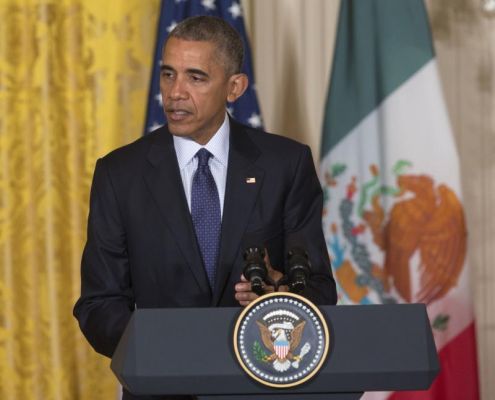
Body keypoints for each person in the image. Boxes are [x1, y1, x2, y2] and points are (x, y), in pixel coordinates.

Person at [74, 15, 337, 400]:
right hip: (162, 387)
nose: (175, 92)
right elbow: (98, 305)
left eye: (196, 77)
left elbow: (319, 290)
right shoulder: (120, 174)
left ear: (235, 87)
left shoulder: (286, 165)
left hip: (261, 385)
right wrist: (164, 353)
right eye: (168, 75)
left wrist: (279, 293)